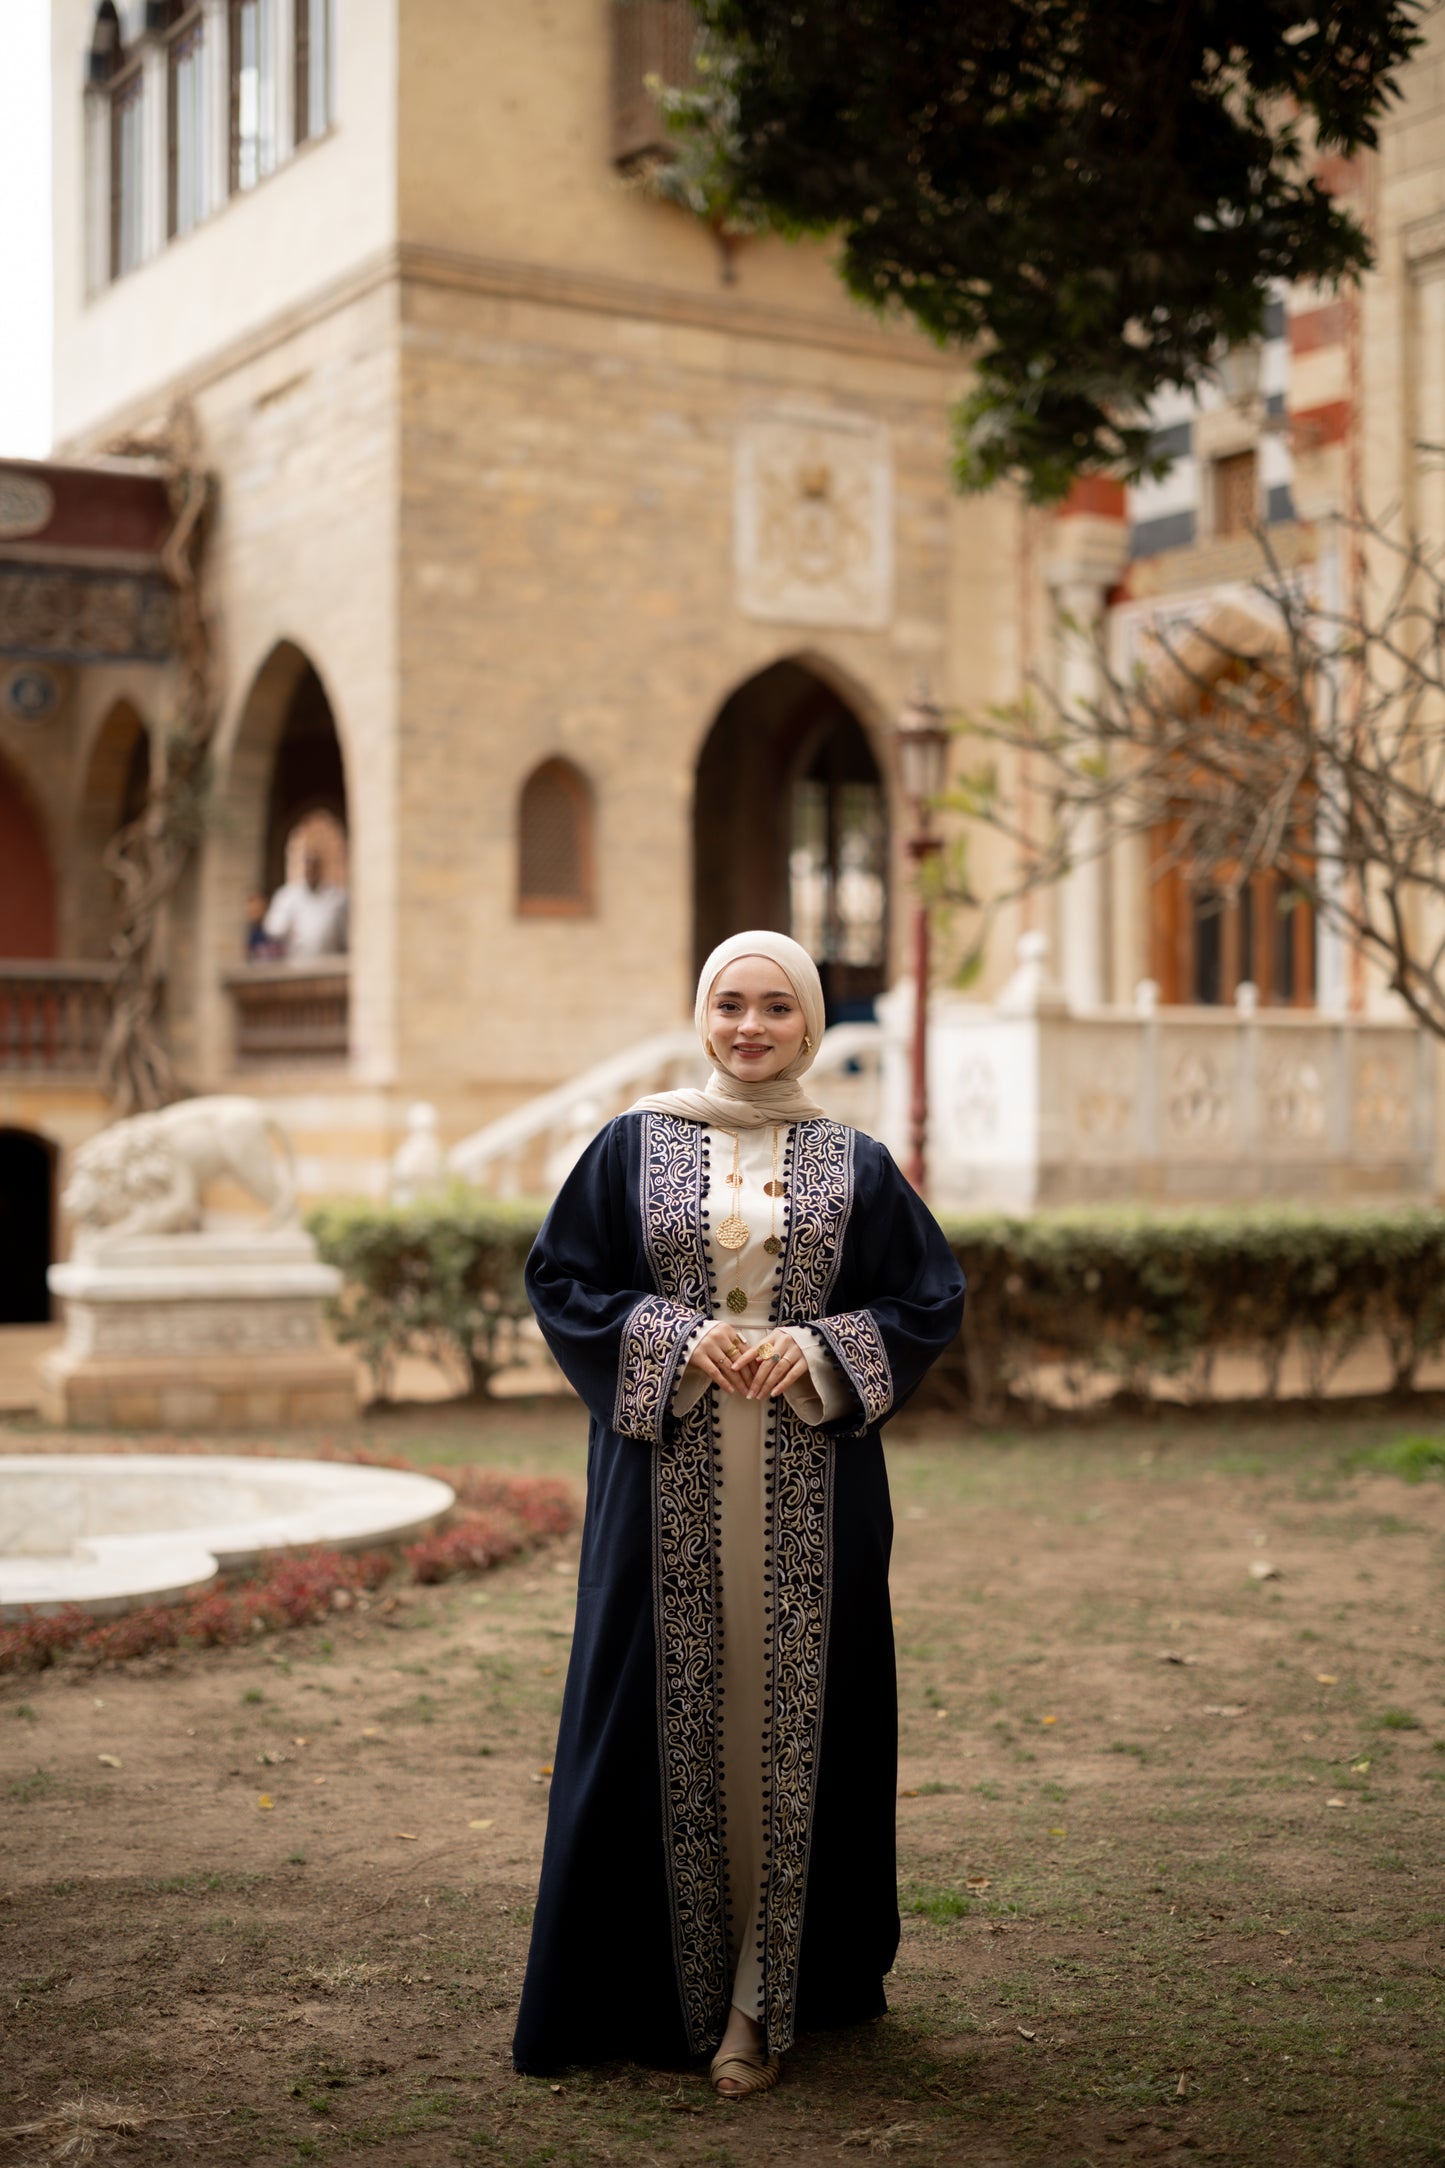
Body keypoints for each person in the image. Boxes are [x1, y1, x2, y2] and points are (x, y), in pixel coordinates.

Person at [513, 930, 965, 2097]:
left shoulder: (852, 1159)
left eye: (775, 1006)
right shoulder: (627, 1144)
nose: (750, 1026)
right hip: (657, 1496)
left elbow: (926, 1295)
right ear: (700, 1013)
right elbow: (560, 1278)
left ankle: (765, 1998)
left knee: (799, 1723)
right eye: (729, 1004)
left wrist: (815, 1344)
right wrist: (671, 1333)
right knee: (650, 1716)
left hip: (814, 1495)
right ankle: (652, 1990)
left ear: (809, 1024)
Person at [262, 848, 348, 960]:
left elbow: (346, 932)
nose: (311, 871)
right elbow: (273, 928)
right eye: (308, 867)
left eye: (314, 867)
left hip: (329, 962)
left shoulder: (337, 897)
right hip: (296, 962)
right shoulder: (287, 896)